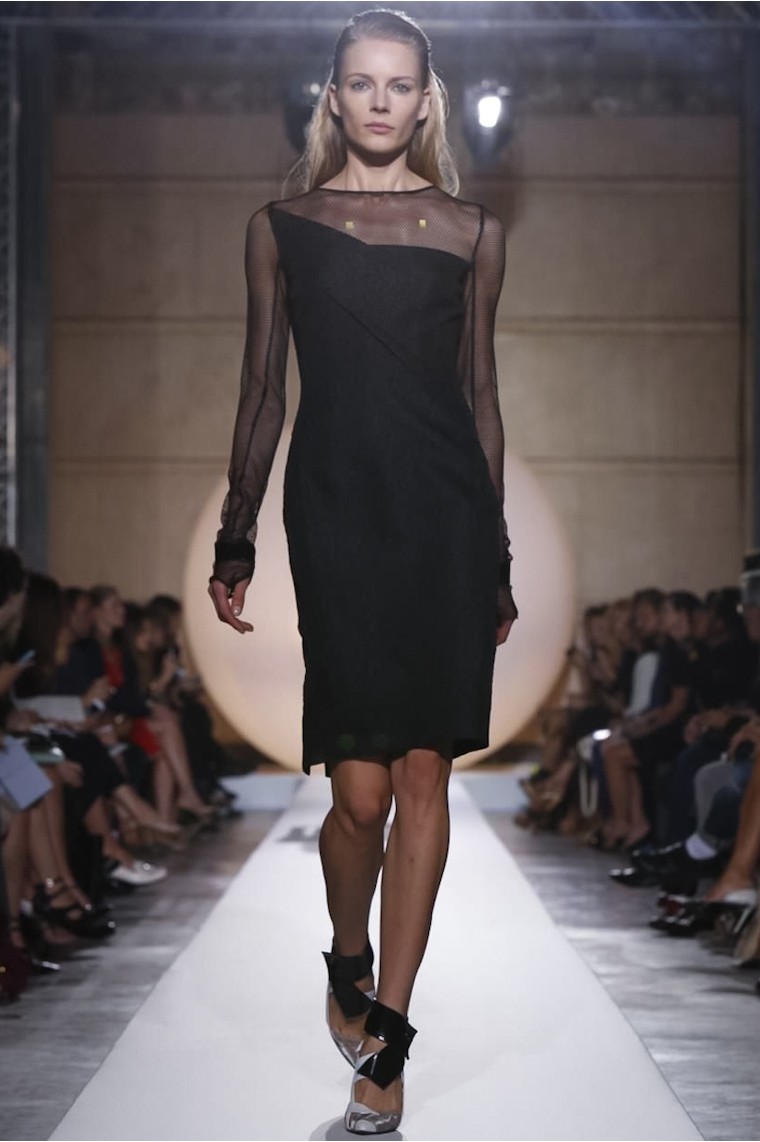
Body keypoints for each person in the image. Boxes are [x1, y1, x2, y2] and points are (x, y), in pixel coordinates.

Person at [208, 9, 517, 1134]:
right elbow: (262, 392)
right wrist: (236, 533)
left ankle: (388, 1036)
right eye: (360, 83)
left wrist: (495, 553)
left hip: (444, 520)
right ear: (332, 96)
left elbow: (480, 398)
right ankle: (348, 950)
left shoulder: (473, 232)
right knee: (360, 795)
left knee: (423, 777)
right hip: (336, 513)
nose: (380, 102)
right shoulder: (280, 228)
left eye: (398, 85)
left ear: (424, 99)